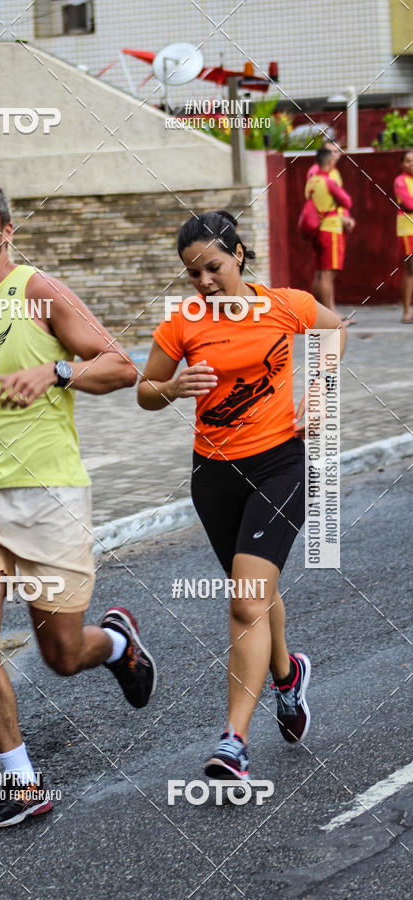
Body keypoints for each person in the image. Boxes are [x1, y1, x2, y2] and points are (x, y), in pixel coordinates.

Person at [0, 180, 156, 829]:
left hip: (48, 494)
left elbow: (119, 365)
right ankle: (23, 784)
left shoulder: (38, 293)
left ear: (6, 230)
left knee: (60, 653)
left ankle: (114, 646)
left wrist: (55, 372)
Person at [137, 210, 345, 782]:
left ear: (239, 255)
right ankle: (287, 675)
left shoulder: (285, 304)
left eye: (213, 266)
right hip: (214, 475)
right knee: (254, 587)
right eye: (192, 274)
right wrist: (173, 387)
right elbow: (145, 392)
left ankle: (233, 742)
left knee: (246, 599)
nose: (203, 282)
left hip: (280, 465)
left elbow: (335, 328)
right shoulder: (183, 323)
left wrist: (321, 392)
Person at [305, 146, 355, 323]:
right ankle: (330, 318)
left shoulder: (312, 181)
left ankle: (321, 313)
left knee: (320, 273)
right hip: (331, 228)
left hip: (318, 229)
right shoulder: (328, 180)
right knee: (327, 275)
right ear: (327, 161)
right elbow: (346, 201)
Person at [394, 149, 413, 323]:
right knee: (410, 270)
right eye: (408, 161)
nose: (411, 164)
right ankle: (406, 312)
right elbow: (409, 203)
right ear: (401, 164)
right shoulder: (400, 181)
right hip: (408, 229)